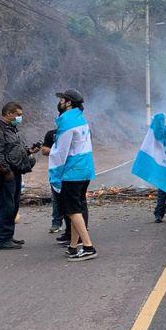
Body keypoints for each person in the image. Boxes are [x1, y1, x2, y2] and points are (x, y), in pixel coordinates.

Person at [48, 89, 99, 261]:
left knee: (72, 211)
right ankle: (73, 246)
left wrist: (55, 173)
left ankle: (88, 247)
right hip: (85, 170)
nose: (60, 102)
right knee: (76, 208)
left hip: (72, 172)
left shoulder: (67, 121)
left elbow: (61, 152)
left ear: (69, 103)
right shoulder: (80, 119)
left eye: (62, 100)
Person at [0, 101, 37, 250]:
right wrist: (6, 171)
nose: (20, 118)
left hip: (16, 172)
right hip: (5, 175)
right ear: (8, 113)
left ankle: (8, 236)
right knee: (5, 206)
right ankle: (2, 240)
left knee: (13, 206)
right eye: (18, 115)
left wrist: (29, 151)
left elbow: (14, 150)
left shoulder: (11, 128)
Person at [40, 127, 63, 233]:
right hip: (56, 171)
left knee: (75, 199)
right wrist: (59, 151)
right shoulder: (52, 134)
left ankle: (79, 224)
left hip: (73, 171)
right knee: (56, 198)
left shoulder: (74, 132)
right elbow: (44, 150)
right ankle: (56, 223)